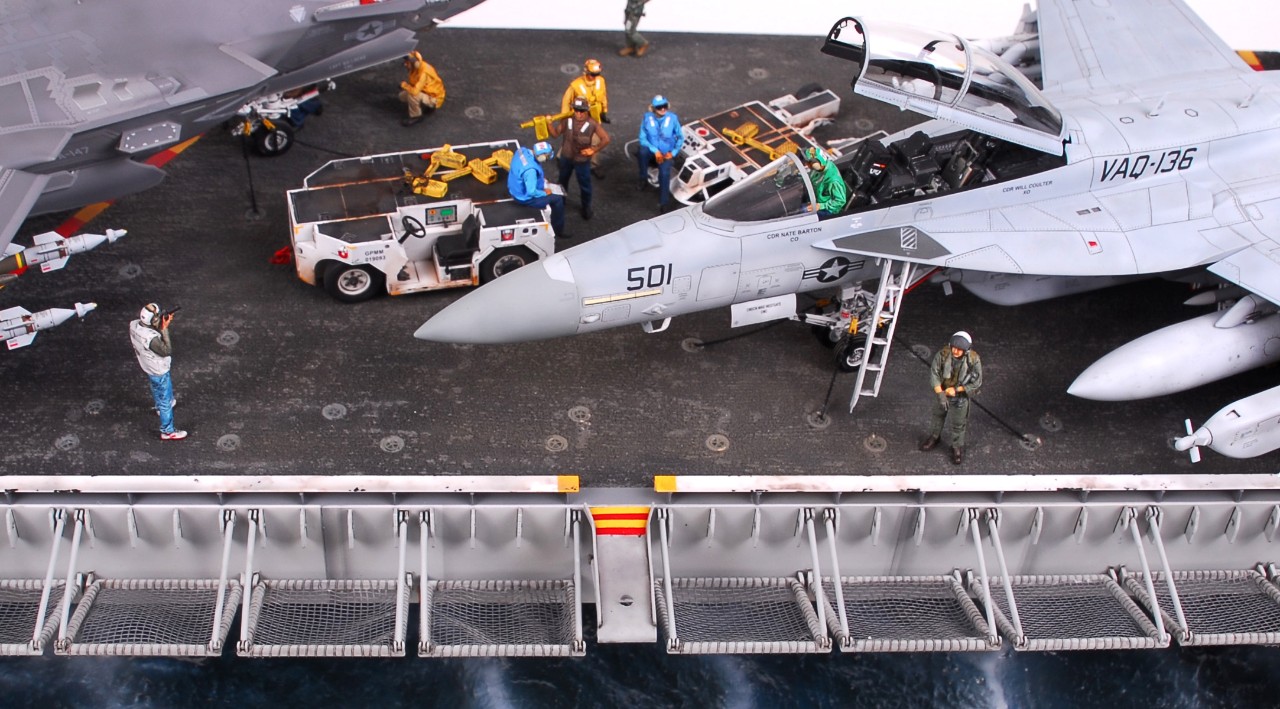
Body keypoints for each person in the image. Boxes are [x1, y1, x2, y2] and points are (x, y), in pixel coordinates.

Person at [920, 331, 983, 465]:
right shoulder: (943, 355)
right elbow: (934, 374)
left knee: (958, 424)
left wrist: (957, 390)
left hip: (960, 396)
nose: (955, 351)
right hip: (943, 392)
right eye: (954, 347)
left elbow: (976, 382)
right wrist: (941, 394)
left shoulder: (973, 359)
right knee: (937, 416)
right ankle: (934, 436)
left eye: (959, 349)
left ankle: (957, 446)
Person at [130, 303, 186, 441]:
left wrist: (158, 324)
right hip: (158, 369)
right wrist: (164, 328)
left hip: (148, 366)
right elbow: (166, 350)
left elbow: (148, 328)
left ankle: (160, 407)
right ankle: (168, 431)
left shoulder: (134, 324)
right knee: (164, 399)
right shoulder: (151, 338)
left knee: (156, 388)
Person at [549, 98, 610, 221]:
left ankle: (586, 207)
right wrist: (548, 123)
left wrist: (593, 150)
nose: (579, 114)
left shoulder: (592, 124)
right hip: (566, 157)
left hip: (582, 160)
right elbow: (555, 134)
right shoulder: (567, 121)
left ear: (586, 111)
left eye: (582, 111)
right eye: (576, 110)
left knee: (585, 185)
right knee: (562, 182)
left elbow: (606, 138)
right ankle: (560, 203)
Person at [507, 141, 566, 237]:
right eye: (546, 157)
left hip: (514, 188)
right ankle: (558, 229)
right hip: (524, 198)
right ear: (541, 157)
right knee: (558, 199)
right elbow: (531, 192)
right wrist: (545, 193)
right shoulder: (531, 171)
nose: (546, 159)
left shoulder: (522, 151)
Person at [637, 95, 683, 212]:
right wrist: (655, 151)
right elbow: (642, 138)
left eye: (665, 106)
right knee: (642, 152)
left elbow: (680, 138)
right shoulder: (647, 118)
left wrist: (673, 153)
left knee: (664, 173)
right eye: (659, 107)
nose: (663, 109)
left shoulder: (673, 119)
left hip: (666, 152)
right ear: (653, 108)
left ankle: (664, 202)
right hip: (652, 150)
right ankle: (643, 178)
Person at [398, 51, 445, 127]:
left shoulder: (423, 73)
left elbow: (415, 92)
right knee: (402, 96)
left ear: (414, 63)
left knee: (412, 95)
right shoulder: (417, 68)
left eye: (407, 62)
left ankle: (416, 116)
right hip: (427, 92)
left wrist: (404, 85)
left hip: (434, 98)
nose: (405, 64)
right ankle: (426, 105)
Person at [805, 147, 848, 218]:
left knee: (802, 211)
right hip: (816, 200)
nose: (807, 165)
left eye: (810, 162)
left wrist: (820, 206)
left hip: (828, 210)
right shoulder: (820, 168)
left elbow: (840, 201)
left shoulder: (833, 180)